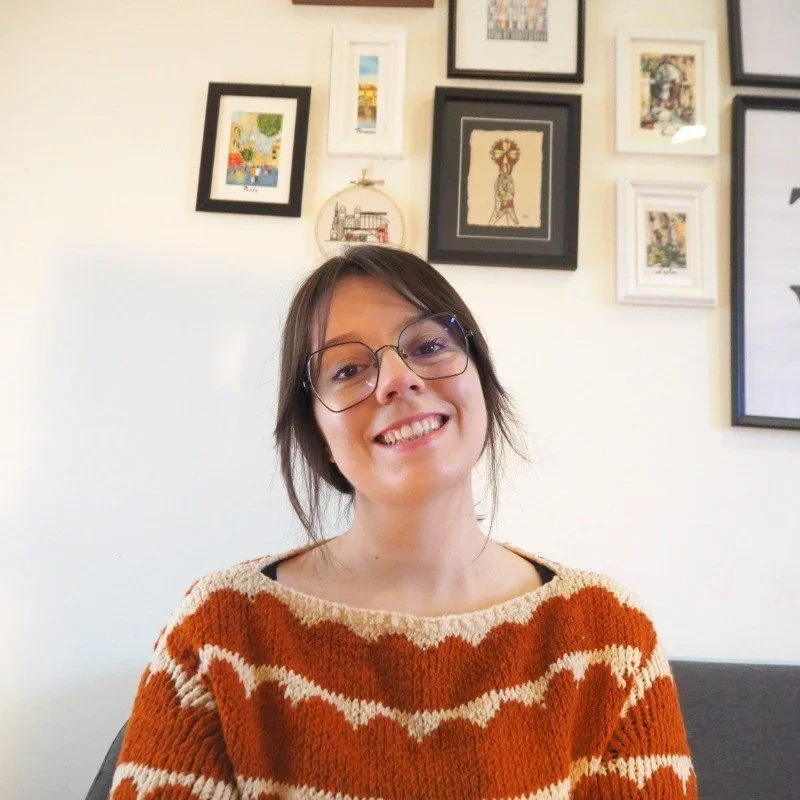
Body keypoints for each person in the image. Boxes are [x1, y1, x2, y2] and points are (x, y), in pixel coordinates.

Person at [109, 245, 698, 798]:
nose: (398, 379)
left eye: (429, 346)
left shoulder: (608, 640)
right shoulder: (219, 634)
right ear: (318, 434)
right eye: (347, 370)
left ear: (481, 381)